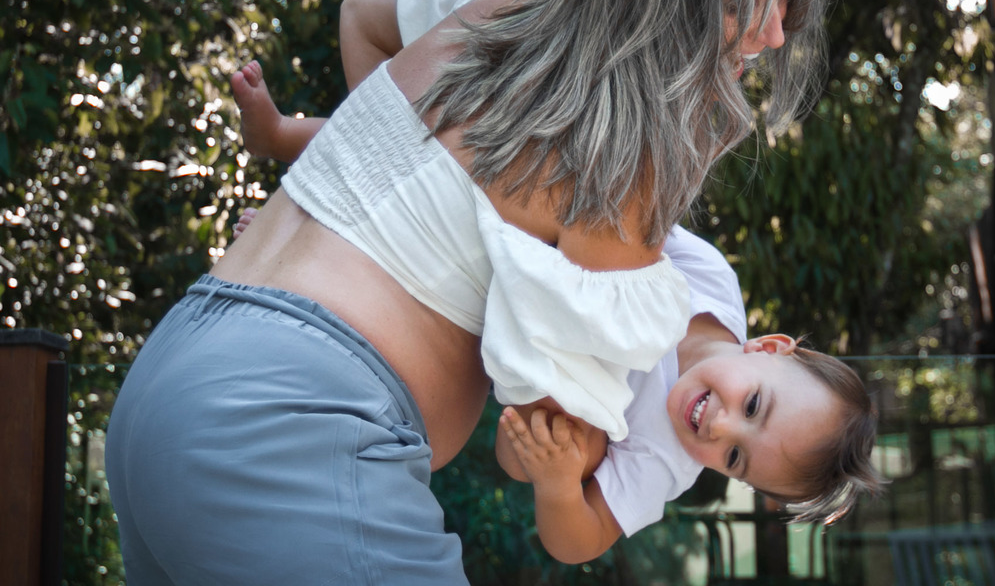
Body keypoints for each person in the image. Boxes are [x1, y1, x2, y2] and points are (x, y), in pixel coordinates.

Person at [106, 0, 832, 584]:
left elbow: (364, 14)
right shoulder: (625, 158)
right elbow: (549, 432)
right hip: (294, 430)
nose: (776, 33)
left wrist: (386, 216)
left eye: (782, 1)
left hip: (178, 364)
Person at [231, 82, 882, 565]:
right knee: (485, 157)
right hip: (528, 260)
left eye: (736, 458)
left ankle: (302, 250)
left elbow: (578, 542)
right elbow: (623, 215)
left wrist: (558, 481)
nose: (720, 425)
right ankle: (290, 152)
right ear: (769, 347)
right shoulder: (709, 280)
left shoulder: (668, 460)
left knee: (583, 438)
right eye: (755, 404)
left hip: (519, 373)